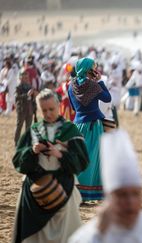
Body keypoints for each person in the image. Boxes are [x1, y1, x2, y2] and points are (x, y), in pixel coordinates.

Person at [68, 129, 142, 243]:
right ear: (109, 198)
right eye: (122, 195)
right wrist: (99, 233)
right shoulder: (88, 236)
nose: (130, 201)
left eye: (136, 194)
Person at [12, 89, 89, 243]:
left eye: (51, 109)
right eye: (44, 110)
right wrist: (32, 151)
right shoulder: (33, 131)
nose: (48, 114)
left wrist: (61, 154)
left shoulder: (70, 130)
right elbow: (18, 160)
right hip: (35, 191)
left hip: (63, 189)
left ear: (59, 105)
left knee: (65, 234)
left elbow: (82, 161)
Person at [68, 57, 111, 201]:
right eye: (94, 67)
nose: (96, 69)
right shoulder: (93, 86)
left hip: (78, 125)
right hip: (93, 126)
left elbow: (73, 107)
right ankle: (85, 193)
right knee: (91, 159)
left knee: (79, 157)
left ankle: (75, 192)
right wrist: (99, 81)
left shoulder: (70, 85)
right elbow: (107, 98)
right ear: (89, 70)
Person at [14, 70, 36, 145]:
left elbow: (33, 99)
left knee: (28, 127)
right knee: (19, 126)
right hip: (22, 109)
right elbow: (17, 97)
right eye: (24, 77)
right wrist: (27, 95)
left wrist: (34, 108)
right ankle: (16, 142)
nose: (26, 79)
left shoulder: (30, 86)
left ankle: (27, 142)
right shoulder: (18, 87)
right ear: (21, 78)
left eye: (27, 77)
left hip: (29, 109)